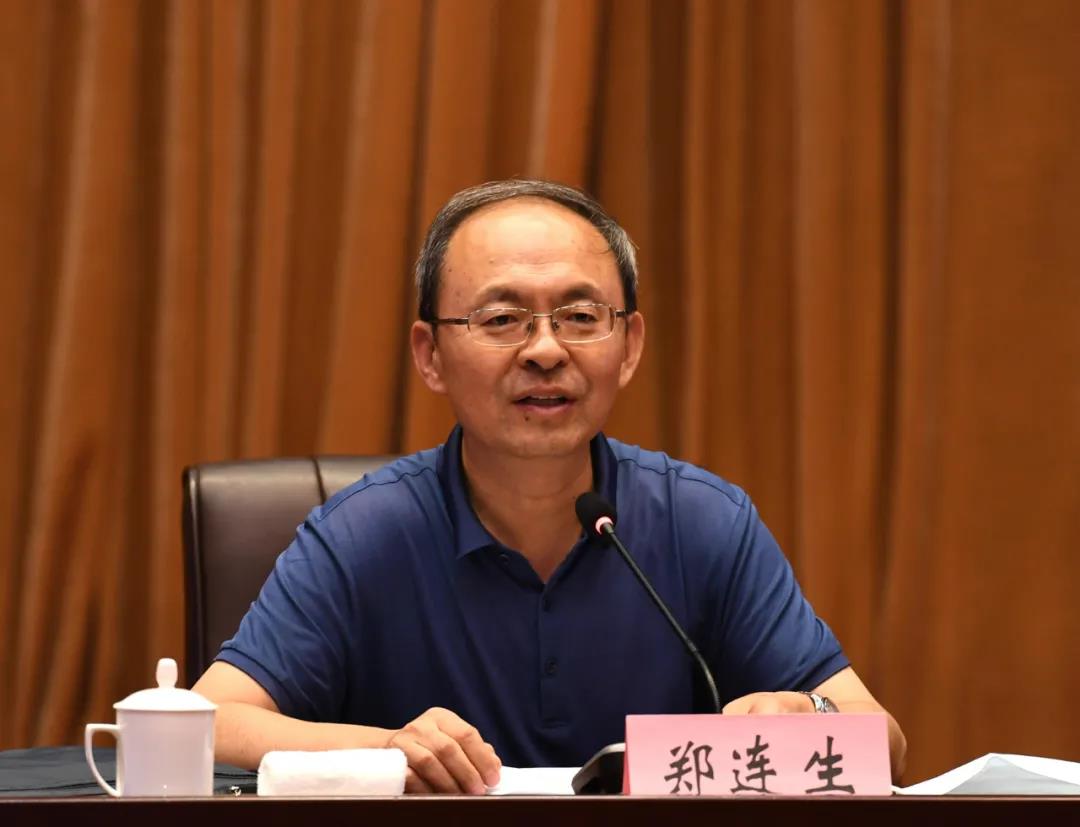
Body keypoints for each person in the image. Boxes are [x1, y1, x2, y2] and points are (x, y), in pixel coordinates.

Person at [193, 179, 907, 793]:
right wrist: (384, 749)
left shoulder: (702, 521)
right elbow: (210, 721)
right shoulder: (364, 533)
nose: (544, 349)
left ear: (629, 346)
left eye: (580, 317)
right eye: (502, 319)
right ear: (430, 354)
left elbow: (885, 740)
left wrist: (808, 717)